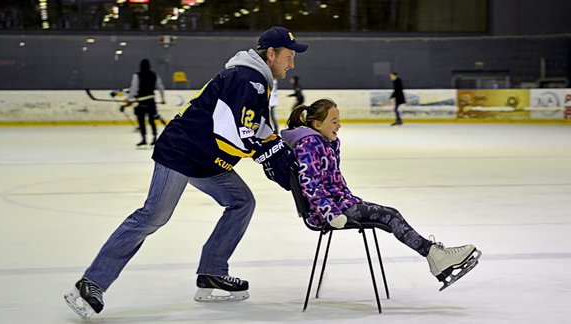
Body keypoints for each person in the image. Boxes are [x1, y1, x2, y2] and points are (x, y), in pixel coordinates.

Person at [64, 26, 308, 319]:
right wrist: (263, 152)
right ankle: (91, 283)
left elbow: (253, 125)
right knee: (154, 215)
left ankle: (212, 273)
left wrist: (275, 146)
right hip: (181, 152)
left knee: (242, 202)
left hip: (206, 160)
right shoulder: (247, 78)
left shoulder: (257, 80)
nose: (291, 63)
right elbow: (228, 131)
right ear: (271, 54)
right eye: (289, 56)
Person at [280, 98, 481, 291]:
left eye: (339, 120)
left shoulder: (326, 143)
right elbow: (310, 183)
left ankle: (435, 257)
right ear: (317, 123)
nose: (339, 125)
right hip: (329, 212)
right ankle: (436, 256)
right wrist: (330, 213)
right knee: (391, 216)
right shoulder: (308, 145)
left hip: (342, 204)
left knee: (391, 214)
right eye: (334, 121)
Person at [127, 58, 166, 147]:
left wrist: (129, 99)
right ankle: (154, 138)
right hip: (151, 100)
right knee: (152, 120)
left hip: (141, 101)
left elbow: (133, 88)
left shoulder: (137, 75)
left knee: (141, 120)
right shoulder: (154, 75)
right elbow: (160, 86)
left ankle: (144, 139)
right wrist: (163, 98)